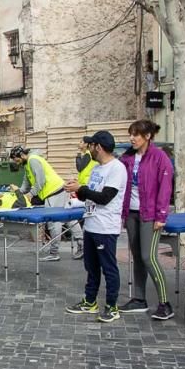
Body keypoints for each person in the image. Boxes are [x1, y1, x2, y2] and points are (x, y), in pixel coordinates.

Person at [63, 131, 127, 323]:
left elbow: (105, 197)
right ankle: (90, 301)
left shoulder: (116, 168)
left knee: (108, 268)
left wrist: (81, 190)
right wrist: (78, 189)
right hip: (91, 223)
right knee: (91, 267)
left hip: (106, 227)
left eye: (90, 145)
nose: (88, 148)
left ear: (98, 147)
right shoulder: (97, 169)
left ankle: (112, 305)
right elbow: (89, 196)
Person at [120, 119, 175, 320]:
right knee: (137, 258)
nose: (132, 138)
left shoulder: (159, 158)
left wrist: (161, 215)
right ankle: (139, 299)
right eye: (131, 134)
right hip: (131, 214)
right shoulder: (127, 157)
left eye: (136, 134)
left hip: (150, 214)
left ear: (148, 136)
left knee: (148, 257)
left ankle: (165, 303)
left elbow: (165, 189)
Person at [9, 145, 79, 261]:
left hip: (53, 192)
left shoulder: (33, 160)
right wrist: (18, 191)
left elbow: (40, 181)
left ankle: (54, 252)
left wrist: (31, 194)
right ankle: (81, 244)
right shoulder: (27, 164)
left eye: (17, 160)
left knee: (53, 222)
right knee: (69, 218)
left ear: (21, 155)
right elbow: (26, 183)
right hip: (58, 190)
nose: (17, 163)